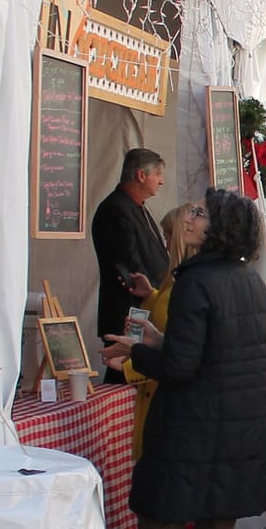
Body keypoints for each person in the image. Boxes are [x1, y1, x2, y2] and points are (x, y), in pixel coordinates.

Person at [100, 188, 266, 529]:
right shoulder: (250, 283)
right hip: (240, 429)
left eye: (201, 213)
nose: (192, 218)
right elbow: (216, 352)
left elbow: (180, 365)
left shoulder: (197, 284)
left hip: (191, 430)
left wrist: (137, 353)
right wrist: (160, 341)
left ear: (216, 230)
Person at [123, 200, 207, 456]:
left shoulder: (190, 285)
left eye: (168, 236)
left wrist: (130, 362)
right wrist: (151, 295)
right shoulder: (175, 279)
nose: (165, 244)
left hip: (165, 398)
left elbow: (177, 348)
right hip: (155, 393)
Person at [91, 148, 170, 384]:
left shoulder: (136, 207)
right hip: (129, 311)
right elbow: (129, 266)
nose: (162, 181)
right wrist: (158, 294)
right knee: (123, 377)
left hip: (146, 308)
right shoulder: (115, 210)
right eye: (158, 174)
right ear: (141, 175)